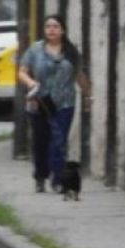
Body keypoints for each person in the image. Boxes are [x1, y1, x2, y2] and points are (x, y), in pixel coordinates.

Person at [18, 14, 91, 193]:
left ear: (63, 30)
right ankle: (40, 176)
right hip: (40, 102)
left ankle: (58, 179)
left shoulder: (71, 52)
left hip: (64, 103)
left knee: (58, 140)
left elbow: (80, 75)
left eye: (56, 26)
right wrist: (30, 83)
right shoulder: (35, 50)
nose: (51, 29)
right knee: (41, 142)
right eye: (48, 26)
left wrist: (87, 96)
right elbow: (22, 71)